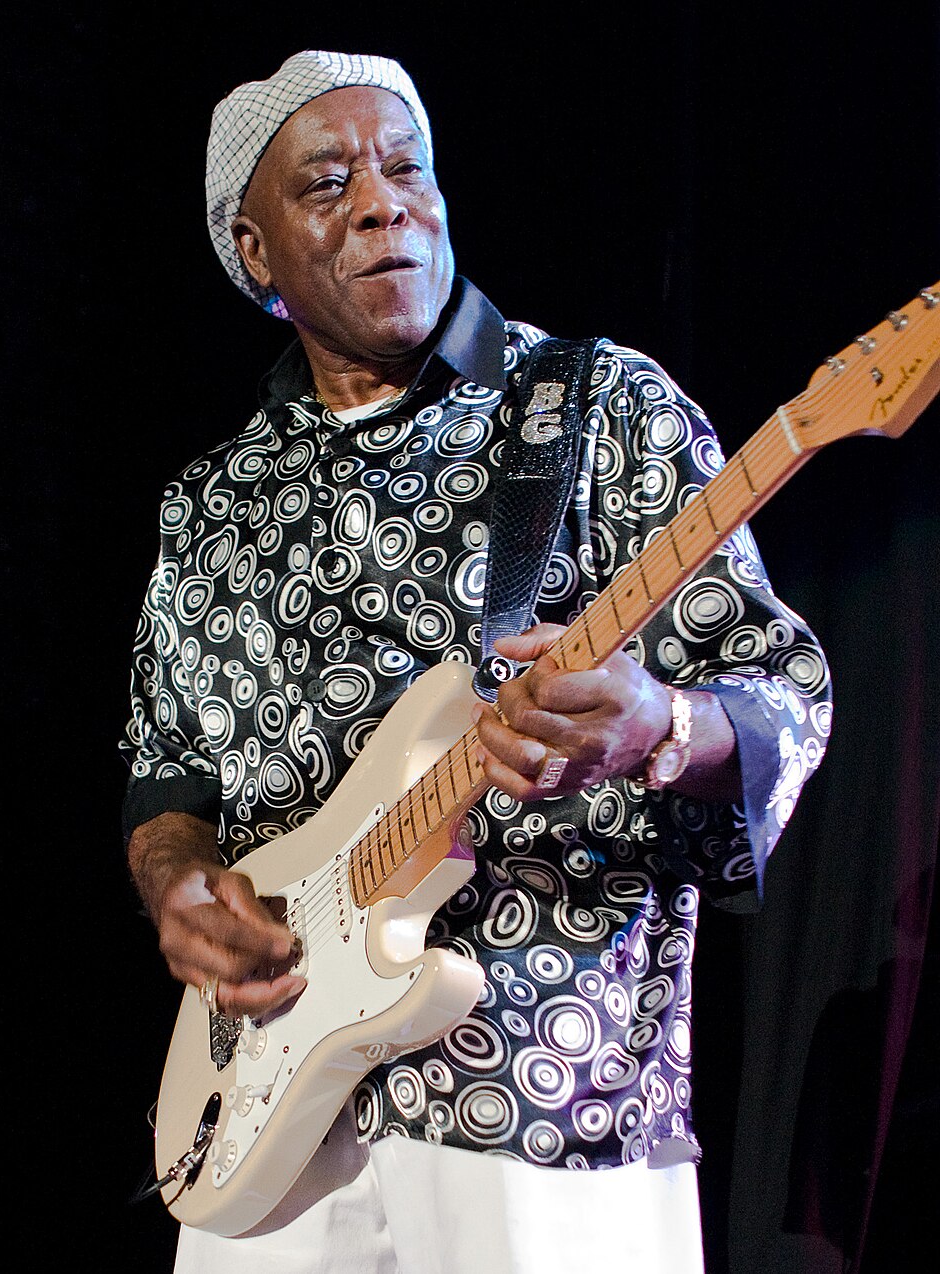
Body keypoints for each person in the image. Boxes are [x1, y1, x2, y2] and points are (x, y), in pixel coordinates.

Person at [121, 49, 831, 1273]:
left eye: (407, 169)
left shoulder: (599, 404)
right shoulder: (210, 501)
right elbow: (166, 772)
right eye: (329, 183)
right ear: (255, 249)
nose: (384, 201)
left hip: (544, 1097)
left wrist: (656, 721)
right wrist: (179, 886)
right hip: (268, 1124)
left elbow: (783, 698)